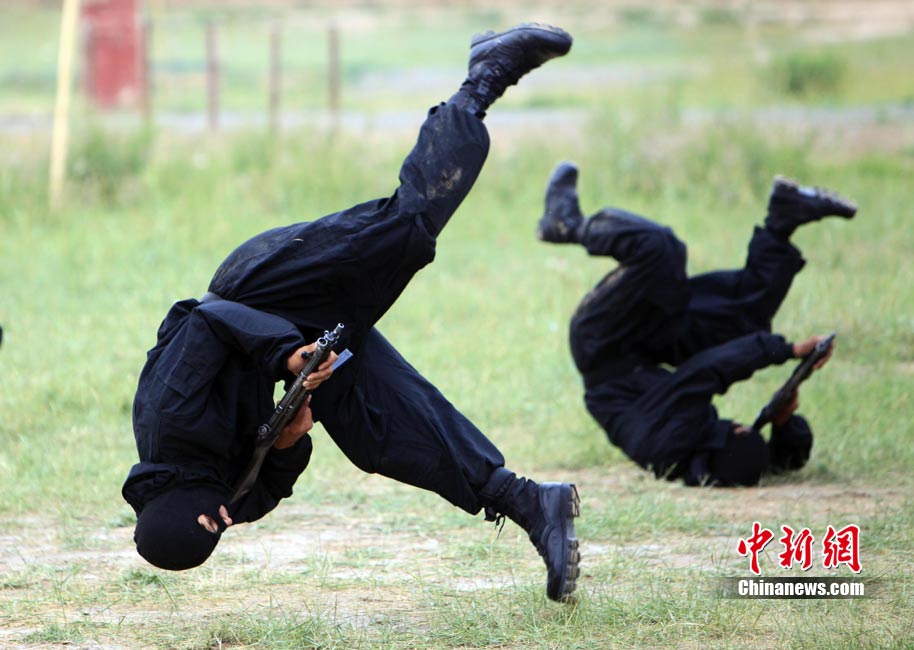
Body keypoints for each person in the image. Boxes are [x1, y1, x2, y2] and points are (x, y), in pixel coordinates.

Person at [122, 23, 581, 603]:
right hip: (293, 352)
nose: (225, 520)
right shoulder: (220, 501)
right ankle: (529, 503)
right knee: (382, 434)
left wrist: (285, 355)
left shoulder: (168, 420)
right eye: (219, 530)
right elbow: (272, 485)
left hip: (256, 292)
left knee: (405, 232)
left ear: (178, 506)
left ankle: (484, 79)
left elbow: (202, 321)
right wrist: (288, 442)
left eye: (211, 522)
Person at [536, 162, 856, 486]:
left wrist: (786, 351)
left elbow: (709, 370)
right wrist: (783, 422)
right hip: (645, 350)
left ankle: (567, 225)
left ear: (734, 436)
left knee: (662, 250)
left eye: (741, 429)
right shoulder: (696, 458)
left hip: (601, 339)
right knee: (743, 322)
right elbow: (785, 460)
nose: (738, 425)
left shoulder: (678, 435)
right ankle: (782, 220)